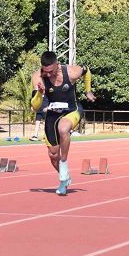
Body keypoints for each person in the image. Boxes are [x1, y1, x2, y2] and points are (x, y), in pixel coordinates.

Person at [30, 51, 96, 196]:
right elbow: (34, 107)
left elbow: (87, 70)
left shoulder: (71, 72)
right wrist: (40, 93)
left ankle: (64, 162)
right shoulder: (38, 77)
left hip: (72, 110)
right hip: (52, 114)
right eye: (45, 72)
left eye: (51, 71)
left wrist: (88, 90)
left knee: (63, 128)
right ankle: (64, 178)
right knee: (53, 155)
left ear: (57, 65)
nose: (48, 75)